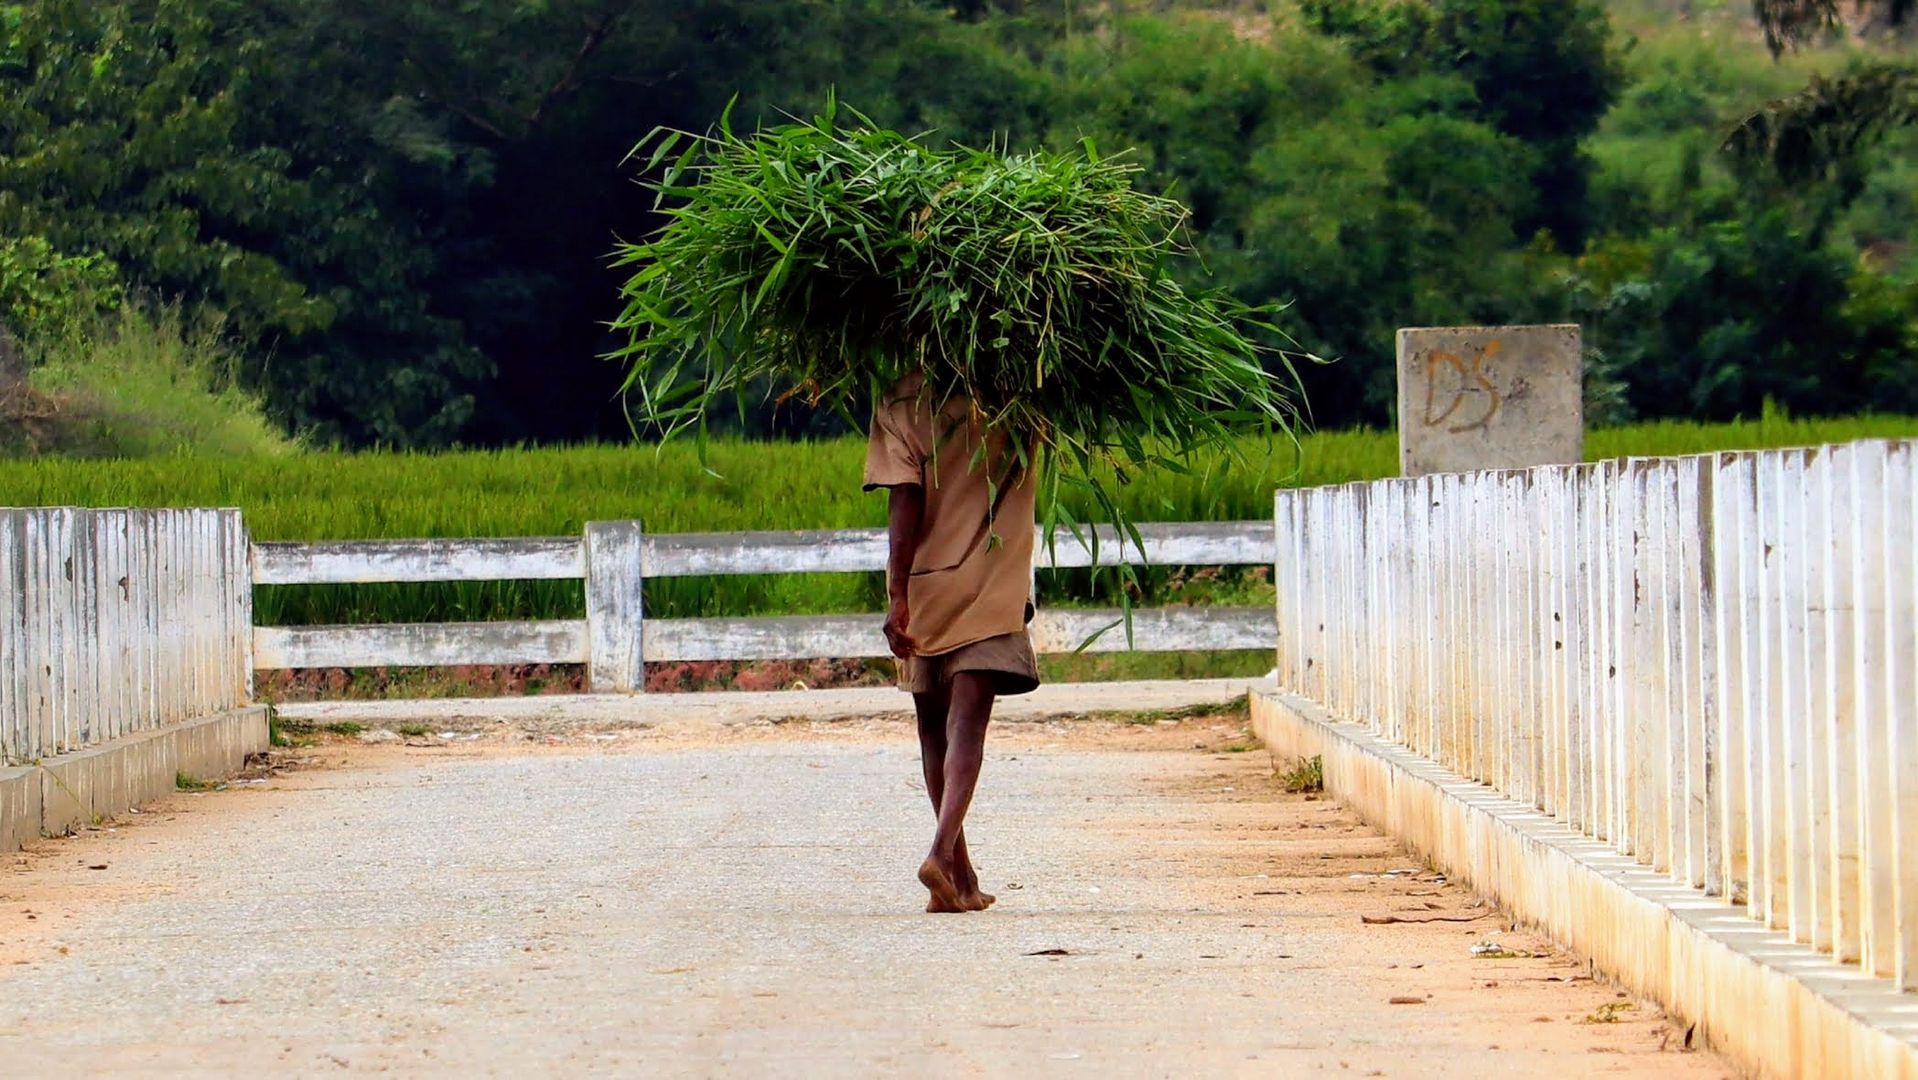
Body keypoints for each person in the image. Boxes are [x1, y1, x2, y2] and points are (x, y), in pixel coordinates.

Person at [863, 372, 1039, 914]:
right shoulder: (1021, 387)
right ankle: (945, 856)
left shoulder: (899, 398)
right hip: (992, 581)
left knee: (932, 731)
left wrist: (896, 596)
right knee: (967, 726)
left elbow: (904, 504)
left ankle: (960, 875)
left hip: (927, 585)